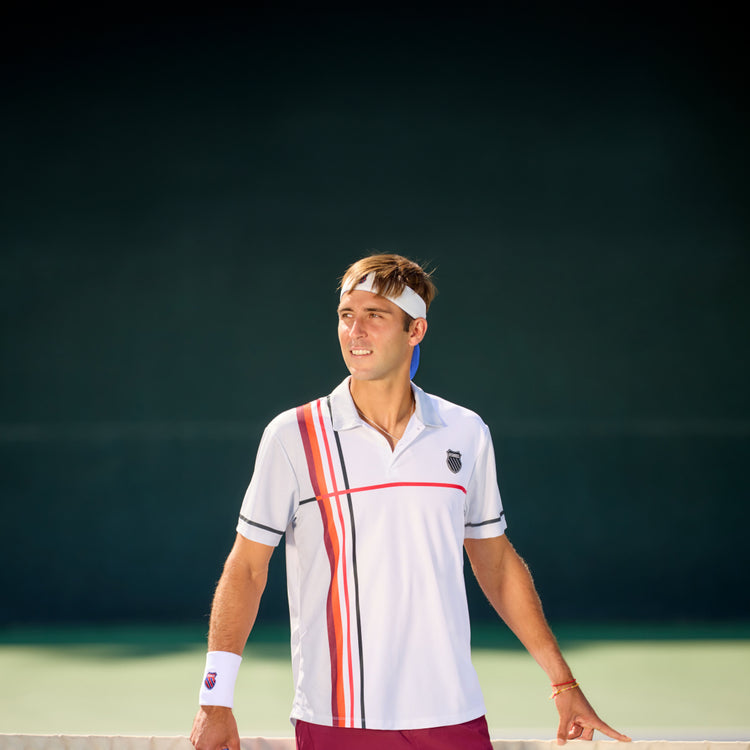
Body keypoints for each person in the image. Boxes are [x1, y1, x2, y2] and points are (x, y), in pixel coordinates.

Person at [190, 253, 630, 750]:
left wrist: (563, 683)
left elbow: (498, 564)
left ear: (415, 330)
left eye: (374, 316)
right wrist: (215, 699)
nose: (355, 330)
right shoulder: (293, 436)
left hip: (454, 713)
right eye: (346, 315)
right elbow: (246, 569)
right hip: (337, 718)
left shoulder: (466, 432)